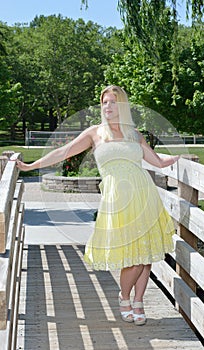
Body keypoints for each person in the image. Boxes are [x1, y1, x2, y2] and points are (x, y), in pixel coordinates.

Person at [17, 85, 180, 326]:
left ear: (122, 106)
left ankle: (139, 301)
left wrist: (179, 159)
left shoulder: (134, 134)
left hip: (144, 196)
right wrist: (31, 166)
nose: (108, 107)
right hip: (117, 200)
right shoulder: (95, 133)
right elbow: (63, 151)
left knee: (146, 255)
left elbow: (156, 160)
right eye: (105, 102)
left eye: (113, 102)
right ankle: (124, 297)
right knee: (131, 257)